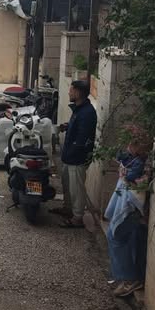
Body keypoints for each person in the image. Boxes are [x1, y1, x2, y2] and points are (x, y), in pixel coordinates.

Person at [104, 126, 152, 297]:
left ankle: (129, 279)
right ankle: (130, 276)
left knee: (115, 235)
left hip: (132, 207)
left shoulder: (140, 162)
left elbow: (132, 177)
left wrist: (126, 174)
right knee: (133, 239)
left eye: (130, 144)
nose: (127, 147)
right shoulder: (137, 158)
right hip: (135, 207)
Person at [56, 80, 97, 228]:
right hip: (69, 157)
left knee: (76, 189)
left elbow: (82, 138)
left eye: (71, 90)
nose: (69, 92)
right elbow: (78, 128)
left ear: (78, 93)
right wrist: (67, 126)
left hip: (77, 158)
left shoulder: (87, 113)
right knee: (67, 184)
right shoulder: (79, 109)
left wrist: (72, 152)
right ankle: (68, 209)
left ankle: (77, 218)